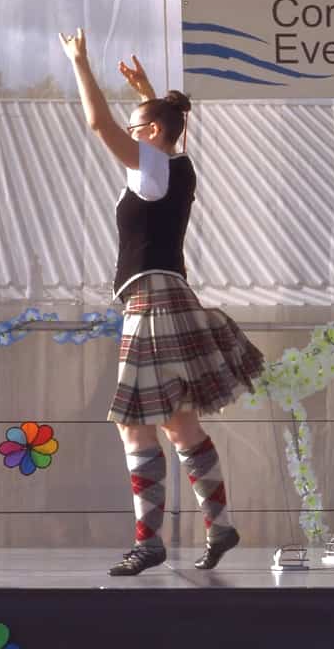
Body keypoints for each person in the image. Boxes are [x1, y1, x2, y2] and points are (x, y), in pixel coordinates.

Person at [59, 34, 264, 575]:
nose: (126, 136)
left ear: (150, 135)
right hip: (167, 294)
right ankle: (219, 525)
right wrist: (151, 94)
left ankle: (150, 541)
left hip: (152, 300)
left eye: (137, 128)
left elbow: (99, 125)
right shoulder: (179, 167)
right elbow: (171, 128)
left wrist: (81, 65)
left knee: (135, 425)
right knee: (178, 423)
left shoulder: (153, 170)